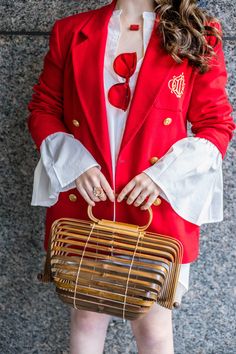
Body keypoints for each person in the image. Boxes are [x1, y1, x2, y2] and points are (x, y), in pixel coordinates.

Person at [27, 0, 235, 353]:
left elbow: (216, 124)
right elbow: (44, 109)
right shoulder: (71, 31)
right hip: (86, 209)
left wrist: (162, 177)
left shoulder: (198, 32)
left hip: (154, 211)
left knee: (152, 327)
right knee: (86, 320)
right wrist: (76, 163)